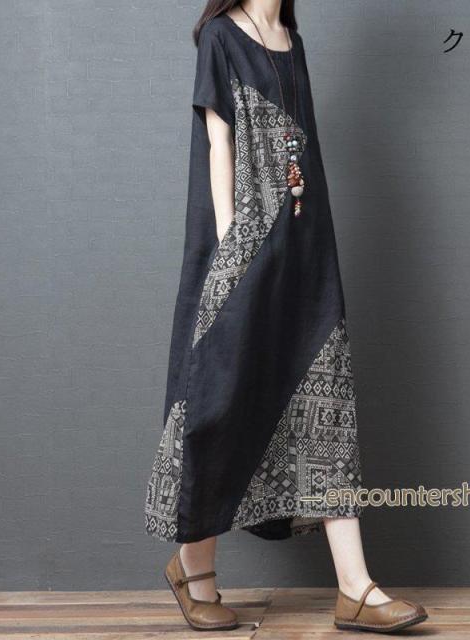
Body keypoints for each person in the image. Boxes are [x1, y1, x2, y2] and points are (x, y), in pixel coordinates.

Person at [144, 0, 427, 633]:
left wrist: (305, 246)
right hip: (245, 251)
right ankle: (193, 568)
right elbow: (219, 141)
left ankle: (355, 588)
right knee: (219, 404)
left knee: (325, 404)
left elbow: (300, 155)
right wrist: (232, 249)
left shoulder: (292, 41)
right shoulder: (221, 37)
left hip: (305, 250)